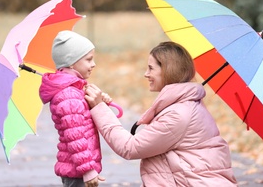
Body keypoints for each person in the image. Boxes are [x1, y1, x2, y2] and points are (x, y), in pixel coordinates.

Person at [85, 41, 237, 186]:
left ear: (167, 70)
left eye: (151, 68)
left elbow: (129, 147)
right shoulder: (185, 105)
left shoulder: (178, 114)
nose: (146, 74)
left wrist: (99, 107)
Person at [39, 30, 110, 187]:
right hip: (78, 170)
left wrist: (100, 102)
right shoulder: (68, 94)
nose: (93, 64)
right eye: (89, 59)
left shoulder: (75, 89)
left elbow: (85, 118)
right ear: (72, 62)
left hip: (79, 167)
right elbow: (75, 136)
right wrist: (87, 170)